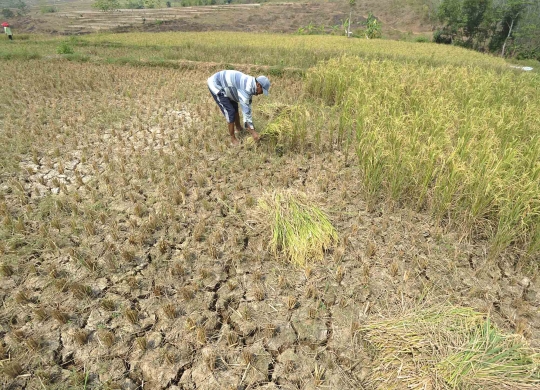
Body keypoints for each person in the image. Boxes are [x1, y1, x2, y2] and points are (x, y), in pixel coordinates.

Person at [207, 70, 270, 146]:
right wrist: (253, 133)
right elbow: (246, 113)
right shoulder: (246, 89)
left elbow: (247, 109)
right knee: (230, 112)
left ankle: (238, 128)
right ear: (258, 85)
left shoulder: (251, 84)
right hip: (216, 84)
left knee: (234, 105)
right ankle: (232, 139)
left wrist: (251, 128)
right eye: (262, 91)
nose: (261, 93)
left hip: (227, 85)